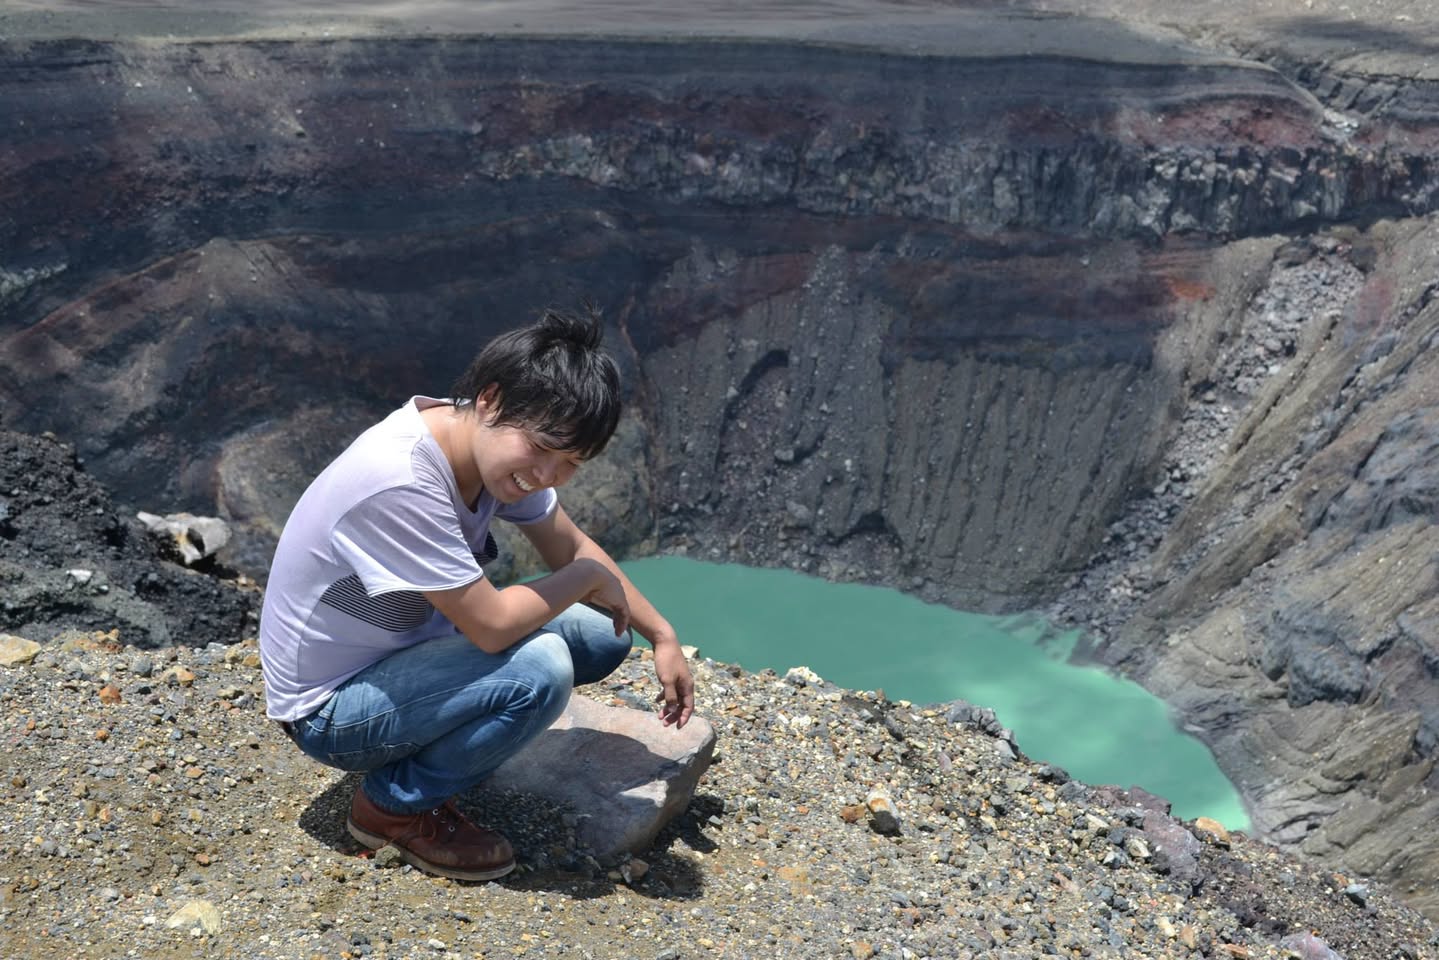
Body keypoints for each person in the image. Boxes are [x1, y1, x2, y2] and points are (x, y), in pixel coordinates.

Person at [258, 307, 695, 881]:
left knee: (600, 637)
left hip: (408, 650)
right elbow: (494, 623)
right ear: (490, 399)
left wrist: (661, 633)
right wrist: (588, 580)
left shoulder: (479, 444)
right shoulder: (403, 479)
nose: (546, 475)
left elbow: (568, 546)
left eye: (571, 463)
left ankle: (456, 736)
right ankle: (391, 808)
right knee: (541, 668)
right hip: (330, 707)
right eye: (541, 448)